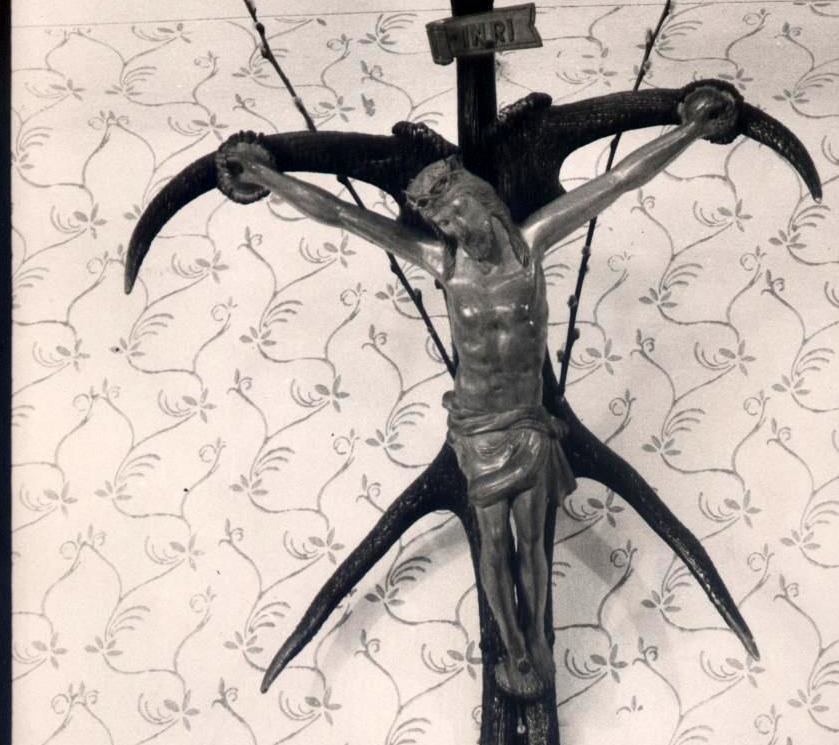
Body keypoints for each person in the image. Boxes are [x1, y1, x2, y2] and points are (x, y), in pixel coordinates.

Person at [216, 85, 736, 697]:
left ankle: (536, 641)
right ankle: (511, 648)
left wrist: (692, 128)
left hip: (527, 423)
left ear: (482, 201)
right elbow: (343, 216)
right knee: (492, 544)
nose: (454, 228)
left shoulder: (534, 243)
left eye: (457, 212)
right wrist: (264, 177)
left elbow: (620, 181)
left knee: (533, 546)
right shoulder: (441, 262)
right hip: (476, 430)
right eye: (442, 222)